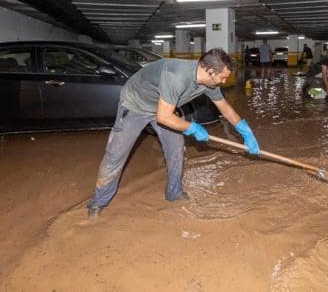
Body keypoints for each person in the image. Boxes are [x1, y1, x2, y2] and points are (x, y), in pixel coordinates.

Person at [87, 48, 260, 218]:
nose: (223, 82)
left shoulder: (210, 83)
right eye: (222, 77)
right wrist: (192, 128)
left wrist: (246, 132)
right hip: (136, 104)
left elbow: (225, 108)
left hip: (164, 106)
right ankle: (98, 202)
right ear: (209, 71)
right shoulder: (176, 76)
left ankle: (174, 193)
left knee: (176, 147)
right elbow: (163, 117)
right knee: (116, 155)